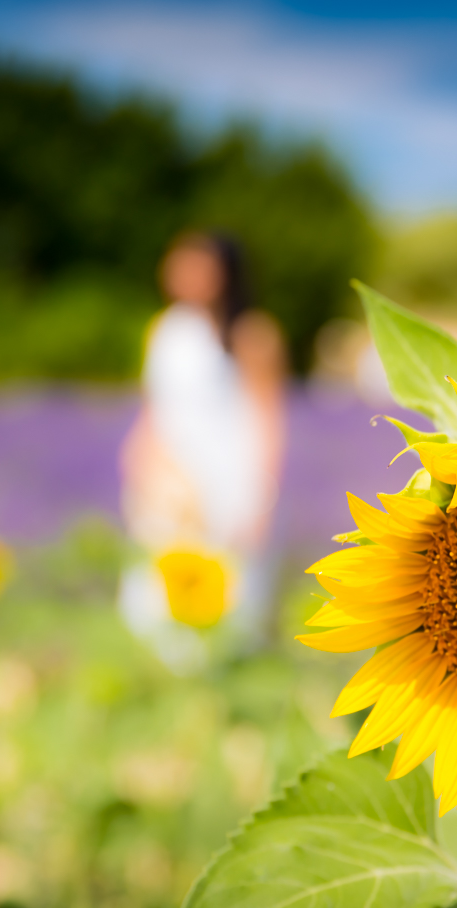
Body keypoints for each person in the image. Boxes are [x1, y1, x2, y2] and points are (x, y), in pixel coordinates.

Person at [119, 233, 286, 668]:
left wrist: (263, 496)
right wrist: (136, 455)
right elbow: (157, 405)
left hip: (227, 477)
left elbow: (268, 417)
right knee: (162, 586)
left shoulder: (253, 333)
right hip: (168, 476)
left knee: (229, 592)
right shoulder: (167, 329)